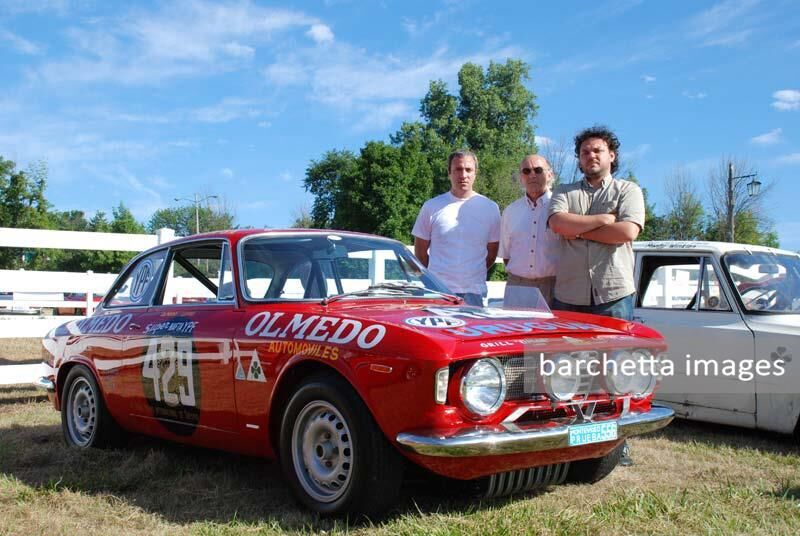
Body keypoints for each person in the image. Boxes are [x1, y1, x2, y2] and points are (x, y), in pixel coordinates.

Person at [547, 126, 645, 320]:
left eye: (597, 150)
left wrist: (577, 231)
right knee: (566, 343)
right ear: (579, 159)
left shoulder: (628, 190)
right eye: (585, 152)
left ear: (611, 156)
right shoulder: (563, 191)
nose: (591, 155)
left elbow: (627, 232)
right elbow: (557, 223)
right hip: (568, 296)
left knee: (615, 343)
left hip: (613, 296)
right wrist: (604, 219)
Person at [412, 150, 500, 307]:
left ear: (475, 173)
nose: (463, 175)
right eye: (458, 169)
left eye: (468, 170)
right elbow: (420, 252)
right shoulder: (431, 206)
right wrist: (436, 279)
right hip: (438, 292)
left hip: (474, 292)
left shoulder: (491, 208)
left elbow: (492, 253)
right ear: (449, 173)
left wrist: (471, 275)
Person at [499, 154, 559, 307]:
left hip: (553, 287)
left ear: (550, 174)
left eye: (538, 170)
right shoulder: (510, 211)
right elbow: (507, 255)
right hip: (516, 287)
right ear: (521, 177)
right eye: (526, 171)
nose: (532, 175)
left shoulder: (561, 208)